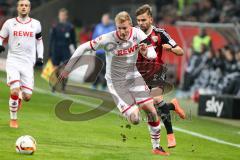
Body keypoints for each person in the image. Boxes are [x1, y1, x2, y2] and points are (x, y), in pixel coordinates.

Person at [61, 11, 170, 156]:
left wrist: (145, 52)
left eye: (125, 28)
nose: (122, 31)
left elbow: (153, 54)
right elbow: (83, 47)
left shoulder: (138, 34)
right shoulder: (107, 39)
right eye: (119, 28)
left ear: (130, 26)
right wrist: (69, 67)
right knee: (135, 119)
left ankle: (156, 147)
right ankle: (133, 104)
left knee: (151, 110)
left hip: (134, 77)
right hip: (117, 83)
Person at [135, 4, 186, 148]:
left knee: (157, 99)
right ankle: (173, 105)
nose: (141, 23)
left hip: (157, 70)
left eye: (143, 20)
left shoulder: (160, 33)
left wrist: (171, 49)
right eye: (138, 20)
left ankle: (170, 136)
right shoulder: (134, 33)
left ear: (150, 19)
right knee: (148, 107)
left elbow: (180, 51)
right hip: (140, 73)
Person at [0, 0, 44, 128]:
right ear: (17, 7)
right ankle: (13, 119)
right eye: (21, 5)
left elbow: (39, 42)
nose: (24, 7)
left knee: (27, 97)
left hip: (28, 63)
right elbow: (1, 36)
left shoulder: (36, 24)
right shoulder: (10, 23)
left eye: (26, 5)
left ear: (29, 8)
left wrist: (40, 57)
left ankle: (19, 97)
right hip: (13, 60)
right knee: (14, 90)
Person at [49, 8, 76, 91]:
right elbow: (51, 40)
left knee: (65, 69)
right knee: (56, 69)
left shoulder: (70, 27)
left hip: (66, 50)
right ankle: (56, 84)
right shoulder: (55, 26)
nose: (62, 17)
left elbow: (73, 40)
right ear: (59, 16)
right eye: (61, 15)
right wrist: (50, 52)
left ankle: (63, 87)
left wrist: (74, 51)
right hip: (56, 50)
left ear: (66, 16)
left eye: (64, 15)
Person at [91, 13, 115, 90]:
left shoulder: (112, 28)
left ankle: (104, 85)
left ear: (108, 20)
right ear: (102, 19)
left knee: (106, 70)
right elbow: (94, 38)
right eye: (104, 19)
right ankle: (95, 84)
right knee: (97, 68)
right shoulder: (98, 27)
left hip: (107, 53)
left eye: (106, 19)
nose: (105, 20)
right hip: (99, 52)